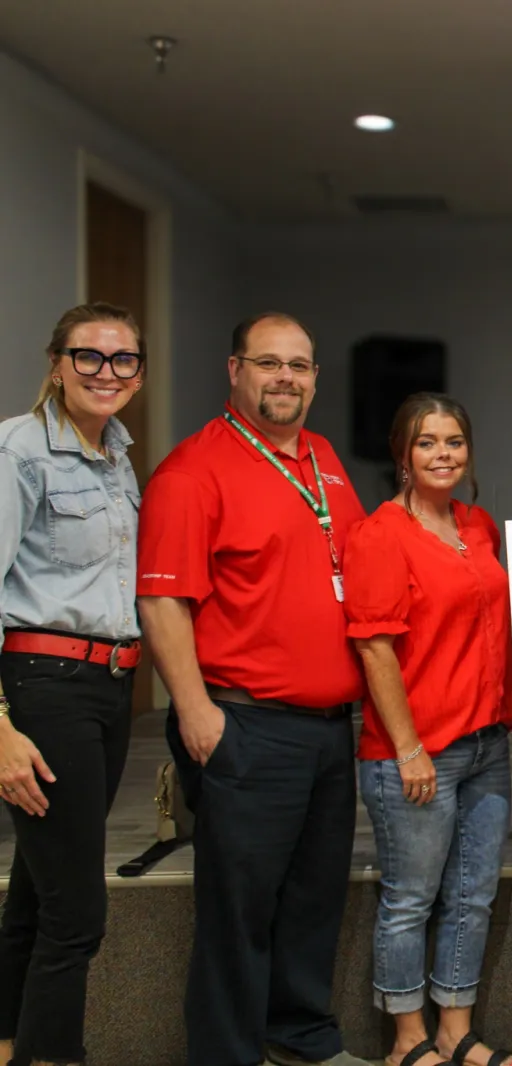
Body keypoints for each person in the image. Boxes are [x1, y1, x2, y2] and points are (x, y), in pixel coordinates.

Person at [137, 312, 368, 1066]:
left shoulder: (324, 460)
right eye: (268, 364)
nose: (285, 379)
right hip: (246, 724)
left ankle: (298, 1036)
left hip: (330, 726)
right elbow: (162, 601)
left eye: (299, 366)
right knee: (238, 912)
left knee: (312, 899)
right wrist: (196, 712)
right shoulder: (191, 472)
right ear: (234, 369)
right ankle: (227, 1053)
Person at [342, 394, 512, 1066]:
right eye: (426, 443)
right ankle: (408, 1040)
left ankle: (456, 1029)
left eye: (453, 441)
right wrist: (409, 747)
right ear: (402, 456)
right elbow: (375, 649)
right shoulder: (380, 534)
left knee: (473, 895)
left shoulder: (479, 526)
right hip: (416, 755)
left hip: (485, 745)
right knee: (410, 900)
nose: (443, 454)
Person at [0, 303, 144, 1066]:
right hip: (43, 689)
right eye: (89, 356)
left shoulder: (117, 456)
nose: (106, 373)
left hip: (108, 691)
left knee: (36, 895)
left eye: (123, 360)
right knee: (77, 915)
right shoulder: (18, 450)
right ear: (57, 362)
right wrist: (0, 729)